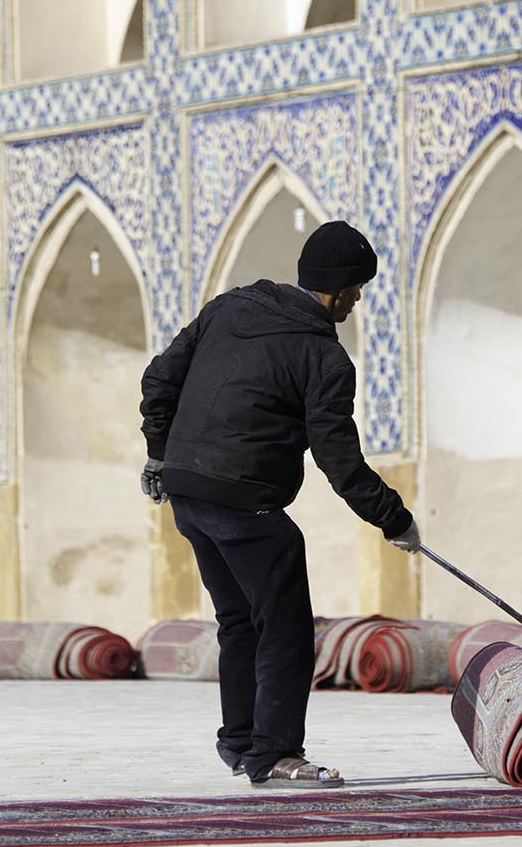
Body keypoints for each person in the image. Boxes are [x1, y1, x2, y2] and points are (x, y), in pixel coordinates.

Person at [139, 219, 420, 789]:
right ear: (338, 290)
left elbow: (158, 378)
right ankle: (275, 752)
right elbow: (339, 460)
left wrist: (159, 454)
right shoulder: (324, 356)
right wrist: (395, 519)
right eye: (358, 289)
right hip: (245, 503)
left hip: (188, 494)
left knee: (238, 620)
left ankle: (240, 742)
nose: (358, 299)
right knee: (286, 627)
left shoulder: (228, 308)